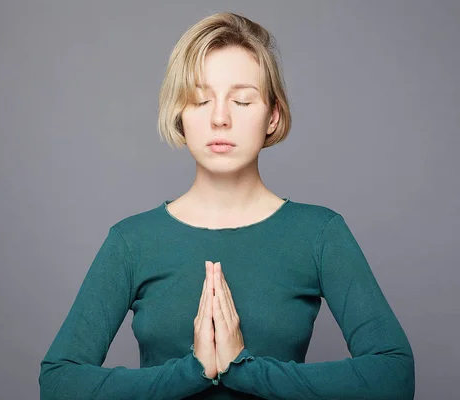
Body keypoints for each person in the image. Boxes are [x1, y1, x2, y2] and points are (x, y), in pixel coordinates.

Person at [39, 11, 415, 400]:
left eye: (241, 100)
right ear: (180, 117)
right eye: (201, 100)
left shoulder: (319, 234)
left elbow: (394, 376)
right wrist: (191, 372)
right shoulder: (131, 241)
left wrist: (244, 369)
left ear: (273, 115)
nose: (220, 118)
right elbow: (58, 383)